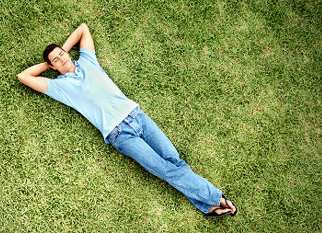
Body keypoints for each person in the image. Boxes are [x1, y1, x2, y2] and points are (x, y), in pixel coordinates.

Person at [17, 23, 237, 218]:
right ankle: (215, 197)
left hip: (137, 115)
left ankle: (207, 207)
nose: (62, 58)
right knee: (164, 169)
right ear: (53, 67)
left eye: (62, 53)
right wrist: (49, 64)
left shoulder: (88, 60)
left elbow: (83, 28)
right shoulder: (59, 87)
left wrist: (62, 52)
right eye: (56, 60)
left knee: (174, 159)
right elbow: (24, 77)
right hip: (120, 134)